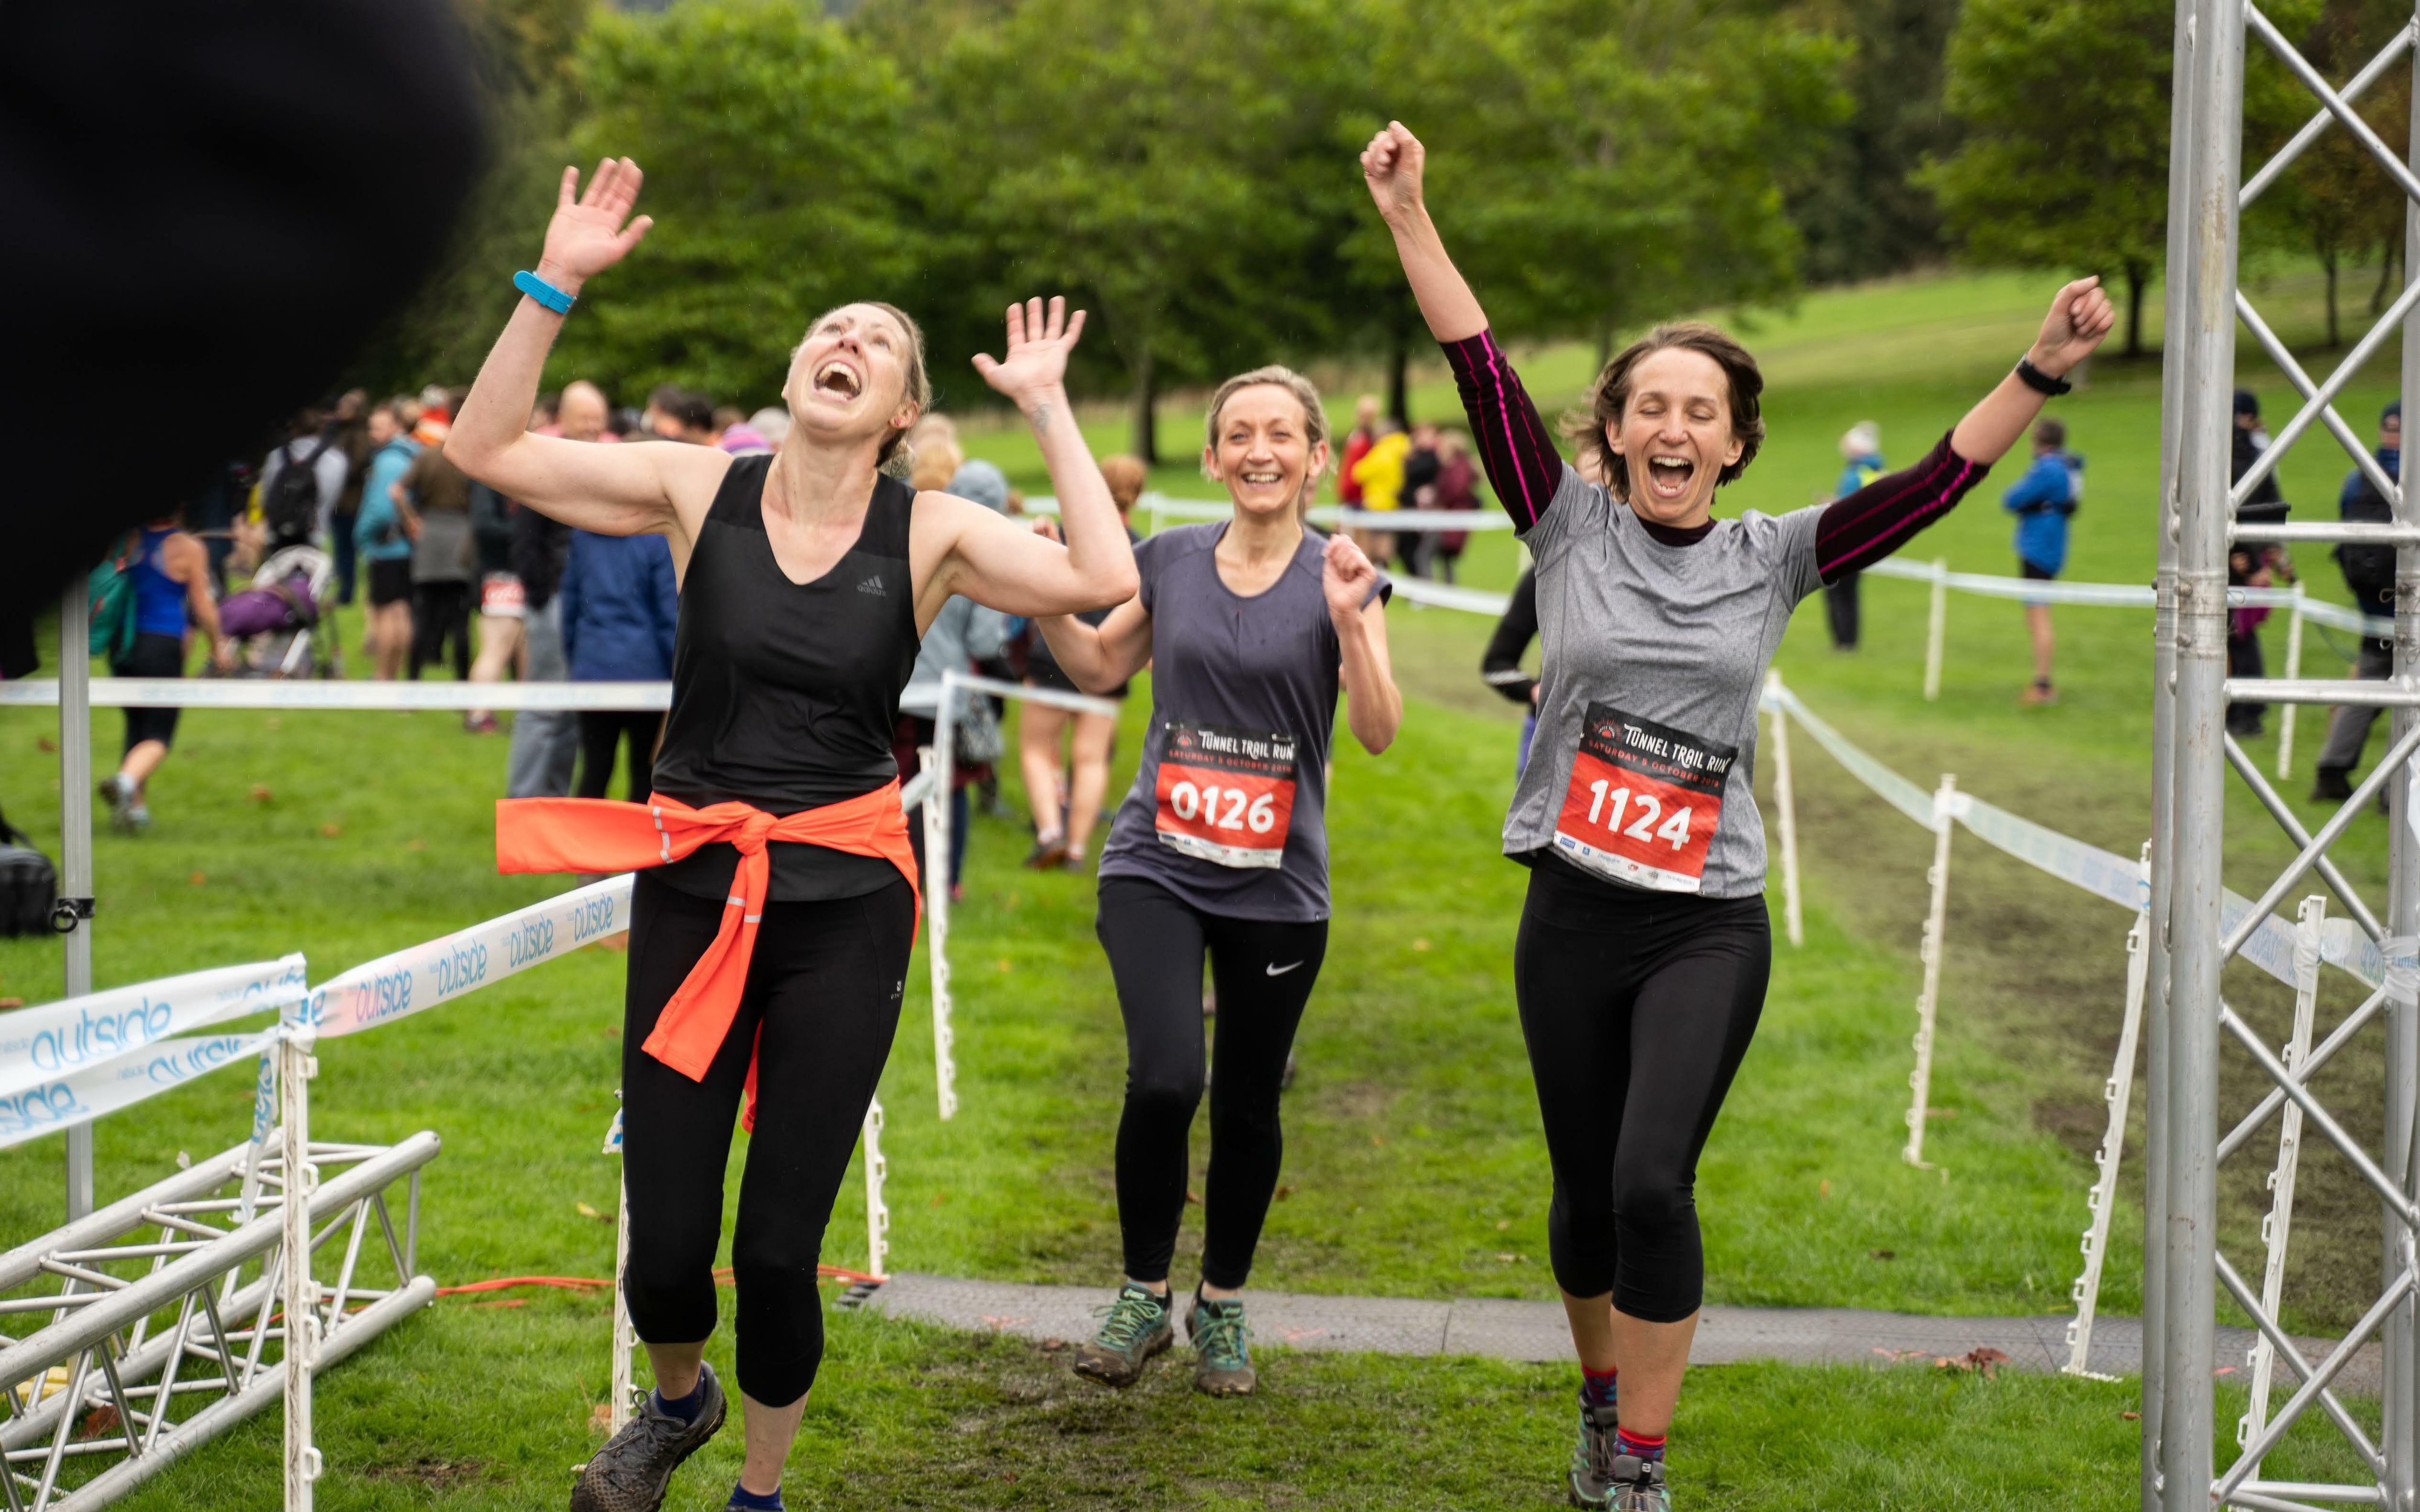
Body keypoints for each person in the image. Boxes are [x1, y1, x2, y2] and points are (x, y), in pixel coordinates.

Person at [1362, 119, 2113, 1512]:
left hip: (1705, 922)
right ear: (1613, 433)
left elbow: (1935, 481)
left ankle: (1638, 1468)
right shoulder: (1564, 530)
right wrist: (1411, 213)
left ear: (1736, 442)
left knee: (1653, 1182)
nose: (1672, 427)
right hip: (1572, 912)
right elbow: (1478, 371)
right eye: (1649, 406)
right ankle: (1598, 1399)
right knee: (1586, 1197)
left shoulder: (1775, 560)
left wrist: (2038, 366)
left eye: (1700, 410)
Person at [449, 158, 1136, 1512]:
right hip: (698, 883)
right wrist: (555, 284)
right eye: (831, 326)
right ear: (793, 370)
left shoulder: (933, 525)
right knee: (665, 1248)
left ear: (901, 408)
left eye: (877, 340)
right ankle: (674, 1402)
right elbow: (484, 450)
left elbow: (1103, 585)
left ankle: (757, 1493)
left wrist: (1049, 405)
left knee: (776, 1250)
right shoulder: (700, 487)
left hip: (846, 901)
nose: (846, 340)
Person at [1037, 365, 1400, 1399]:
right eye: (1237, 433)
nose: (1258, 451)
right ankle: (1143, 1294)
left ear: (1316, 456)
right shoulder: (1170, 558)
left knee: (1248, 1104)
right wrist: (1050, 590)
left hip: (1280, 885)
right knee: (1163, 1078)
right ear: (1211, 458)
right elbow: (1104, 668)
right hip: (1157, 859)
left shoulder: (1344, 574)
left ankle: (1223, 1306)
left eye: (1281, 434)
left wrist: (1357, 624)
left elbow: (1375, 733)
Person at [897, 460, 1017, 898]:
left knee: (895, 785)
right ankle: (945, 882)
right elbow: (985, 643)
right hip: (944, 695)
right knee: (948, 789)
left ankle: (902, 878)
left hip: (893, 686)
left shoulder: (913, 537)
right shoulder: (985, 556)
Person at [1021, 454, 1146, 870]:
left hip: (1056, 659)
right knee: (1091, 758)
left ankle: (1049, 832)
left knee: (1037, 748)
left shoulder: (1073, 536)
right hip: (1111, 664)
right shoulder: (1144, 549)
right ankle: (1075, 849)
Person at [97, 517, 233, 833]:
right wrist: (218, 647)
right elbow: (202, 606)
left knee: (136, 725)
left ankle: (134, 811)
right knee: (159, 734)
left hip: (124, 643)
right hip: (161, 645)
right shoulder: (188, 548)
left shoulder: (125, 540)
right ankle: (125, 781)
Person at [506, 380, 606, 798]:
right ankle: (525, 799)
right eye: (585, 418)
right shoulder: (543, 462)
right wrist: (540, 596)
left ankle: (555, 796)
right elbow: (527, 538)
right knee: (543, 704)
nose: (592, 426)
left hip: (587, 604)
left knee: (572, 709)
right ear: (563, 417)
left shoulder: (605, 460)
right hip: (552, 597)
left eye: (598, 418)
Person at [2314, 399, 2401, 801]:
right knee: (2409, 699)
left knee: (2366, 689)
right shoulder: (2413, 479)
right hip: (2410, 609)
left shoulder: (2357, 479)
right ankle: (2393, 793)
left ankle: (2331, 770)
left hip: (2370, 607)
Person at [560, 525, 678, 801]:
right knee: (644, 772)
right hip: (646, 675)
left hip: (593, 670)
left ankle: (584, 842)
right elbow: (667, 614)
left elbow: (570, 607)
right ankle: (639, 842)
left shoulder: (581, 538)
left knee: (595, 770)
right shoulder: (655, 541)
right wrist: (677, 667)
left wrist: (578, 660)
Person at [2001, 417, 2084, 706]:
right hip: (2050, 543)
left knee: (2038, 616)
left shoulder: (2048, 467)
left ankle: (2042, 684)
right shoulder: (2068, 465)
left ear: (2041, 440)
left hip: (2039, 547)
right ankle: (2041, 682)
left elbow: (2011, 499)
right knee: (2035, 614)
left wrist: (2031, 505)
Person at [2228, 389, 2290, 738]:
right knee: (2235, 636)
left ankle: (2246, 711)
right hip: (2244, 560)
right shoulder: (2259, 454)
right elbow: (2274, 510)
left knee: (2238, 637)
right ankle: (2242, 709)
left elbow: (2258, 510)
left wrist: (2253, 561)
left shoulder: (2248, 456)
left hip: (2241, 561)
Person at [399, 437, 478, 680]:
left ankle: (412, 685)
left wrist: (410, 520)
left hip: (430, 536)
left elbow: (396, 491)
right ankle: (463, 688)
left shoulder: (427, 455)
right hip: (461, 538)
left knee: (422, 618)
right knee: (460, 623)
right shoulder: (472, 457)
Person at [353, 401, 422, 680]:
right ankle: (397, 674)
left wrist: (361, 534)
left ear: (395, 426)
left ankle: (383, 675)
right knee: (403, 611)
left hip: (387, 546)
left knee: (387, 613)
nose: (372, 432)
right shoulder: (413, 453)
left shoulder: (388, 460)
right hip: (408, 545)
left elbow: (382, 508)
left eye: (378, 427)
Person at [465, 474, 525, 732]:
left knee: (523, 651)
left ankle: (524, 717)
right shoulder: (488, 481)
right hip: (500, 576)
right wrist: (527, 534)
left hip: (519, 575)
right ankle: (479, 715)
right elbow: (484, 526)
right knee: (495, 650)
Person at [1822, 422, 1885, 651]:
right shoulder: (1877, 471)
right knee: (1852, 592)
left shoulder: (1853, 474)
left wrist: (1829, 505)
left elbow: (1847, 509)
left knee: (1837, 591)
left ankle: (1842, 643)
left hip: (1846, 540)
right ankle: (1851, 641)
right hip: (1868, 540)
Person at [258, 412, 348, 553]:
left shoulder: (275, 456)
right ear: (321, 428)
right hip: (315, 536)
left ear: (293, 427)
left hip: (277, 535)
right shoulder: (337, 460)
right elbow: (333, 501)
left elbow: (265, 497)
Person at [1483, 567, 1542, 772]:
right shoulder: (1548, 572)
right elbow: (1496, 665)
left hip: (1635, 744)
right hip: (1549, 738)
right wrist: (1540, 693)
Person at [329, 389, 373, 604]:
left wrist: (335, 474)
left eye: (346, 406)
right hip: (339, 500)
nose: (340, 410)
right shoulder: (339, 432)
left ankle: (346, 593)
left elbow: (357, 464)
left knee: (346, 548)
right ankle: (344, 589)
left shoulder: (358, 435)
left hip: (350, 501)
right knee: (341, 547)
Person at [1350, 416, 1409, 569]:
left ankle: (1379, 569)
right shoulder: (1402, 448)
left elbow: (1359, 472)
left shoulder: (1382, 450)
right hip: (1393, 502)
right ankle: (1384, 566)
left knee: (1374, 543)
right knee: (1385, 538)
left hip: (1376, 503)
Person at [1431, 429, 1480, 584]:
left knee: (1431, 552)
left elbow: (1456, 490)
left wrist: (1439, 498)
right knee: (1444, 557)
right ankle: (1447, 587)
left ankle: (1437, 589)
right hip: (1450, 516)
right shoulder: (1453, 466)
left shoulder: (1459, 467)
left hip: (1454, 517)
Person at [1398, 422, 1442, 578]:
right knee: (1408, 549)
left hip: (1430, 512)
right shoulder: (1415, 456)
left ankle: (1426, 588)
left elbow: (1417, 470)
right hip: (1411, 510)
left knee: (1424, 553)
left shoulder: (1433, 458)